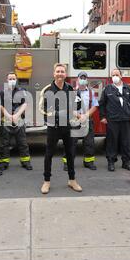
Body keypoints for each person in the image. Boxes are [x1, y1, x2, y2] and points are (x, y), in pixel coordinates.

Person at [40, 63, 82, 194]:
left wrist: (76, 110)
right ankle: (46, 181)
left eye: (62, 71)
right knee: (49, 154)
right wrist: (59, 114)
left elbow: (75, 105)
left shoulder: (70, 88)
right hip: (54, 127)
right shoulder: (47, 90)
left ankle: (72, 180)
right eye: (58, 71)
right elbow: (43, 109)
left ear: (65, 74)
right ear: (54, 73)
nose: (60, 73)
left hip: (67, 126)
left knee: (70, 153)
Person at [99, 68, 130, 172]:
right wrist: (103, 117)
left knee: (126, 142)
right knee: (112, 142)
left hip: (126, 119)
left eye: (117, 74)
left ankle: (126, 162)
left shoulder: (128, 88)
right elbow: (102, 104)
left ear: (121, 76)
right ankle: (111, 162)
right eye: (113, 75)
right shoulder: (107, 89)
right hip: (112, 120)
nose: (115, 77)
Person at [63, 71, 99, 171]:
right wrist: (79, 116)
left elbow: (95, 106)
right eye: (81, 78)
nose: (83, 79)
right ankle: (68, 163)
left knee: (89, 142)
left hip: (87, 120)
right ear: (77, 79)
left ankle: (88, 162)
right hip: (75, 120)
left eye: (84, 78)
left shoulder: (91, 92)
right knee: (71, 142)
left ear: (87, 80)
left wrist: (86, 115)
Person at [0, 72, 32, 171]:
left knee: (22, 142)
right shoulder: (2, 92)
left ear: (16, 80)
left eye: (13, 78)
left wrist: (16, 115)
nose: (12, 80)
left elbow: (25, 104)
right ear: (6, 80)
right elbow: (0, 105)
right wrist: (8, 116)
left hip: (19, 119)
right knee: (4, 142)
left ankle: (25, 161)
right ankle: (4, 162)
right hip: (6, 119)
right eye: (10, 79)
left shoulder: (22, 91)